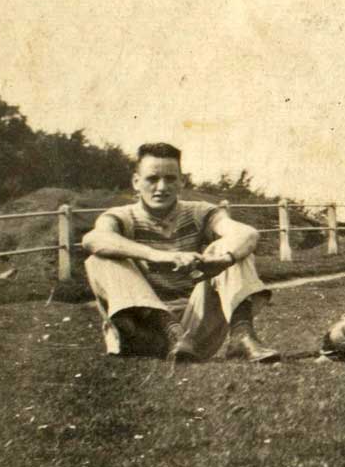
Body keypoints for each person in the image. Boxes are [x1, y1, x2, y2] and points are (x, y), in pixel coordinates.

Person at [82, 142, 280, 364]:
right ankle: (170, 331)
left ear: (182, 182)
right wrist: (157, 255)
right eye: (152, 179)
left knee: (229, 248)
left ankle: (242, 337)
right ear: (136, 182)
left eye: (170, 179)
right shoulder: (122, 216)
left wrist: (223, 260)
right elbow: (93, 239)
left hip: (195, 334)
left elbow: (247, 234)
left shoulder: (198, 212)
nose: (161, 187)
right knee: (100, 258)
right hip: (145, 333)